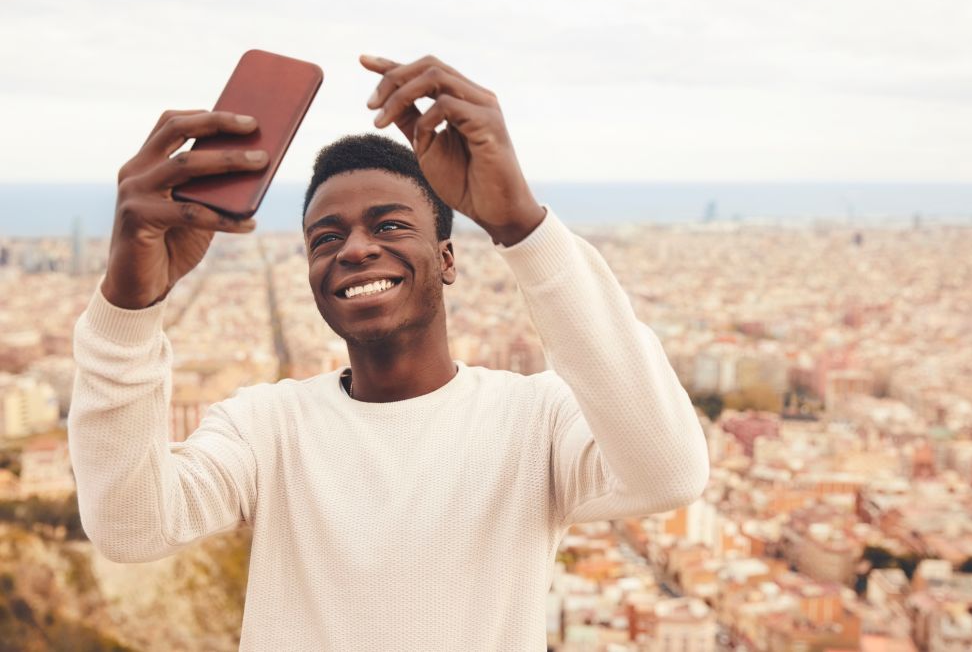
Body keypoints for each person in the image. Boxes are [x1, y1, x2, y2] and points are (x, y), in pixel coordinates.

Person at [68, 54, 710, 651]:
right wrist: (128, 304)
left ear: (448, 258)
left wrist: (522, 224)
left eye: (390, 225)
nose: (353, 249)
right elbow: (131, 528)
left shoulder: (534, 418)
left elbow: (669, 472)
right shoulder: (266, 427)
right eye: (326, 238)